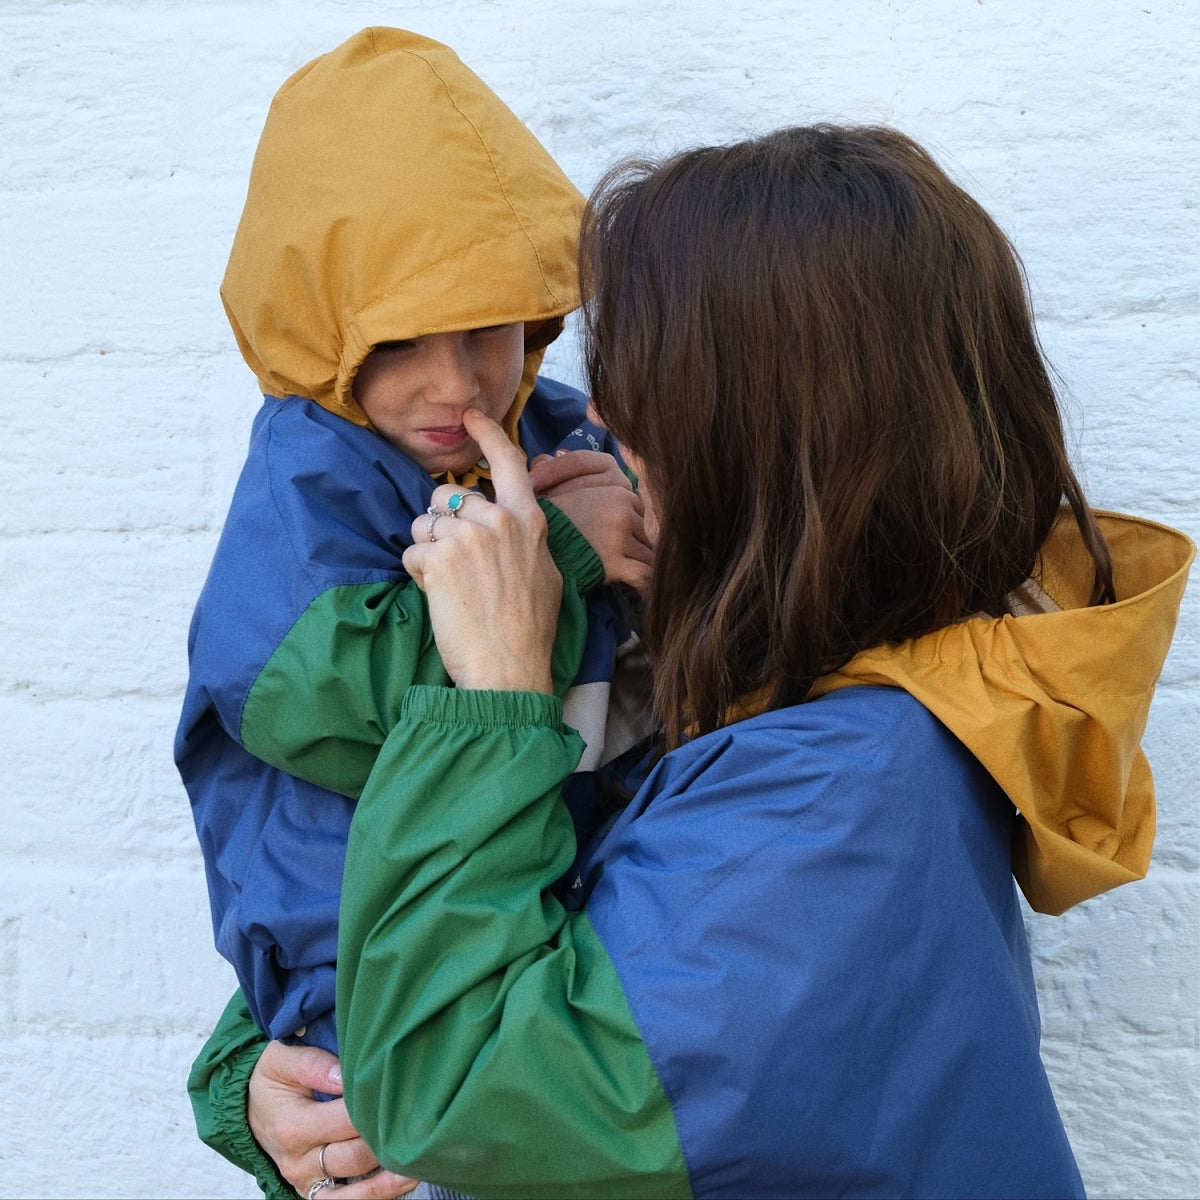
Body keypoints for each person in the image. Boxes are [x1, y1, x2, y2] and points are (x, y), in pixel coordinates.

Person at [195, 125, 1193, 1198]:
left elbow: (455, 1090)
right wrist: (273, 1064)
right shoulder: (812, 704)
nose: (601, 412)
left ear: (775, 431)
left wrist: (493, 696)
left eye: (649, 376)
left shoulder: (843, 801)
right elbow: (580, 901)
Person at [178, 27, 652, 1198]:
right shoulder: (312, 477)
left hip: (530, 921)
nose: (457, 384)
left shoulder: (558, 427)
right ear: (322, 335)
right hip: (359, 966)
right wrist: (562, 563)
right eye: (400, 343)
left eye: (490, 328)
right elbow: (325, 701)